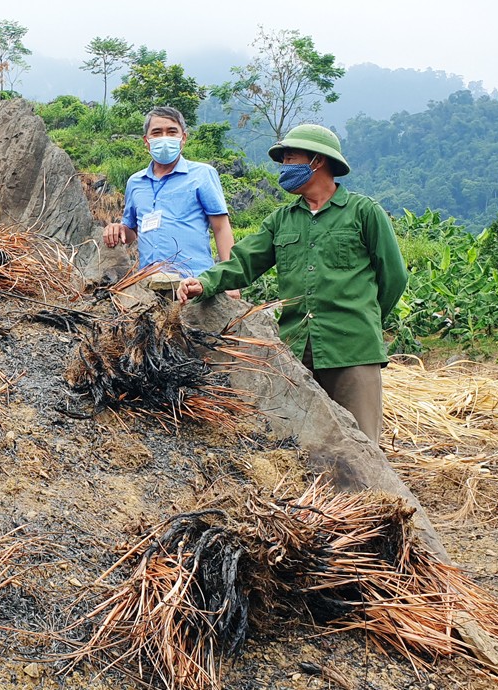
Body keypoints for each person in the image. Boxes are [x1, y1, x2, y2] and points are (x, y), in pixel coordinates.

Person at [177, 124, 407, 443]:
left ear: (317, 161)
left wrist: (362, 317)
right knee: (302, 441)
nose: (284, 167)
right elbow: (244, 262)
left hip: (353, 350)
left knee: (361, 441)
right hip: (297, 350)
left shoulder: (363, 213)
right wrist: (204, 283)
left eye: (290, 158)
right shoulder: (281, 221)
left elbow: (393, 277)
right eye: (283, 160)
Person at [103, 106, 236, 285]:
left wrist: (230, 281)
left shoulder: (202, 174)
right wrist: (117, 229)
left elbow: (221, 228)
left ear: (183, 138)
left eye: (172, 132)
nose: (164, 137)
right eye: (157, 133)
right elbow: (132, 232)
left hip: (195, 281)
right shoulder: (135, 182)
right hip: (149, 284)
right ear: (146, 140)